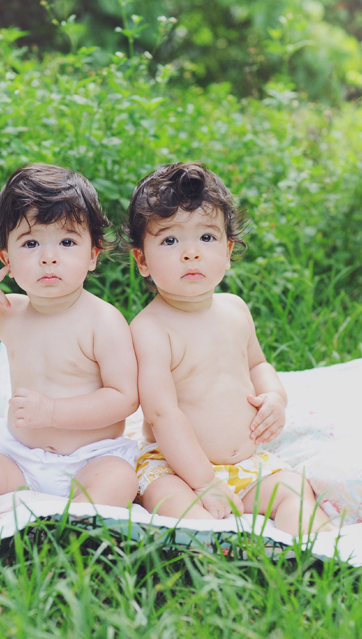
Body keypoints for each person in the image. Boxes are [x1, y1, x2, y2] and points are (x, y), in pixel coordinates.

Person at [126, 162, 337, 535]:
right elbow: (162, 415)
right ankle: (219, 556)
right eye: (170, 240)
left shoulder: (235, 308)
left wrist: (274, 396)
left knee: (295, 492)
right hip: (174, 466)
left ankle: (320, 555)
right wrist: (204, 483)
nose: (190, 252)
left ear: (228, 250)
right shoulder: (150, 330)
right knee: (175, 502)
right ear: (142, 260)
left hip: (246, 465)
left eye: (206, 238)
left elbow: (257, 364)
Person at [0, 163, 140, 528]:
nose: (48, 257)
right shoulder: (10, 311)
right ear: (8, 261)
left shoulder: (102, 320)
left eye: (67, 242)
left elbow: (124, 398)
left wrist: (52, 412)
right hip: (21, 458)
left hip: (92, 459)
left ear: (93, 255)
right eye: (30, 243)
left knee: (120, 479)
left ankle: (71, 532)